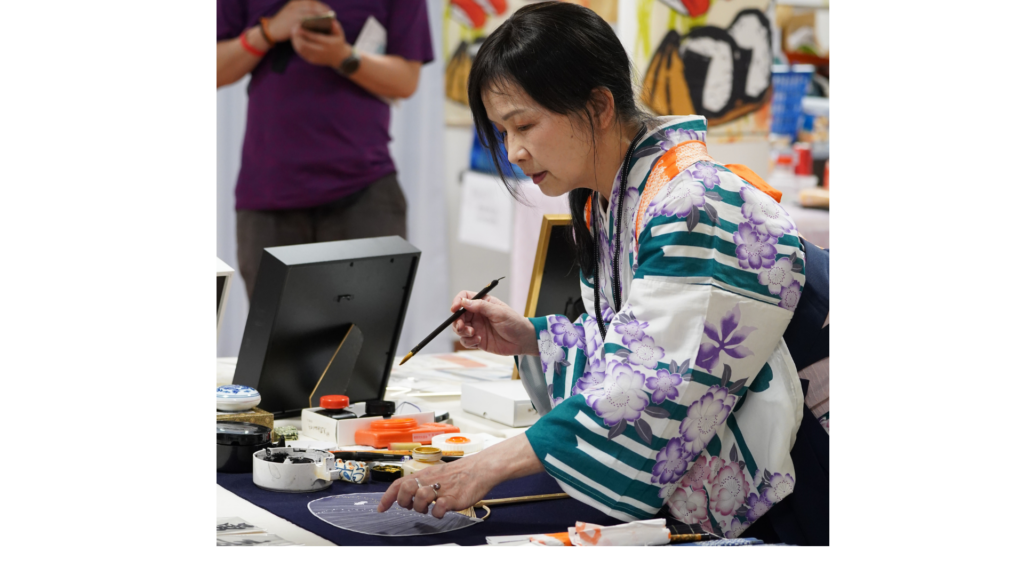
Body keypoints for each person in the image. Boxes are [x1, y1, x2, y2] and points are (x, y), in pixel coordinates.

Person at [378, 2, 829, 546]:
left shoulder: (696, 202)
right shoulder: (614, 199)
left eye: (524, 125)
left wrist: (486, 465)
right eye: (502, 131)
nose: (514, 151)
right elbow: (635, 342)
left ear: (598, 105)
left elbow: (650, 382)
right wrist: (534, 337)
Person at [216, 0, 433, 299]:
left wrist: (342, 56)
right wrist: (267, 32)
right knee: (275, 330)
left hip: (364, 190)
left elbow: (407, 80)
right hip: (268, 195)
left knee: (367, 327)